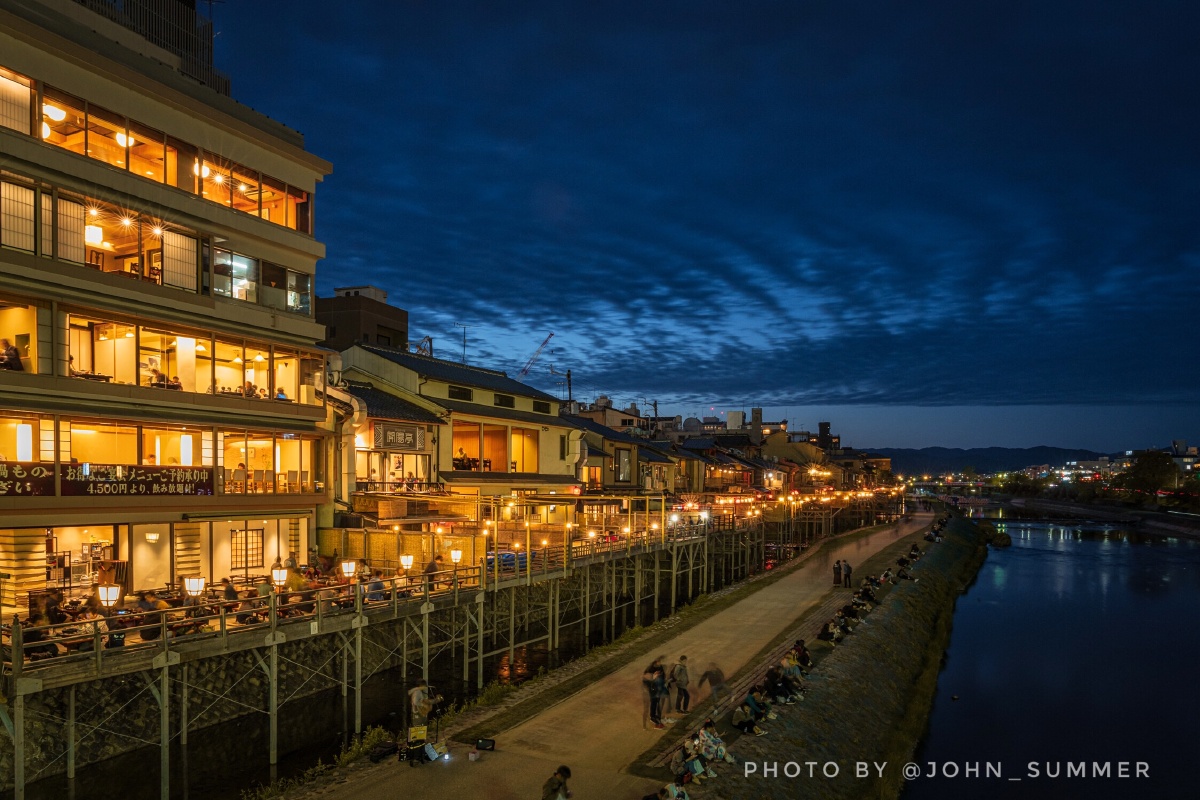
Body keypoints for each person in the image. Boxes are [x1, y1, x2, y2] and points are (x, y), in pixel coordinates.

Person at [643, 655, 667, 728]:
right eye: (661, 661)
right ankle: (652, 716)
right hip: (653, 688)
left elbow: (663, 676)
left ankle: (655, 715)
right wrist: (652, 681)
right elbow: (646, 679)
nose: (662, 663)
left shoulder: (660, 667)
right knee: (653, 702)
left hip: (659, 687)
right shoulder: (650, 669)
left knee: (657, 701)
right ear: (657, 661)